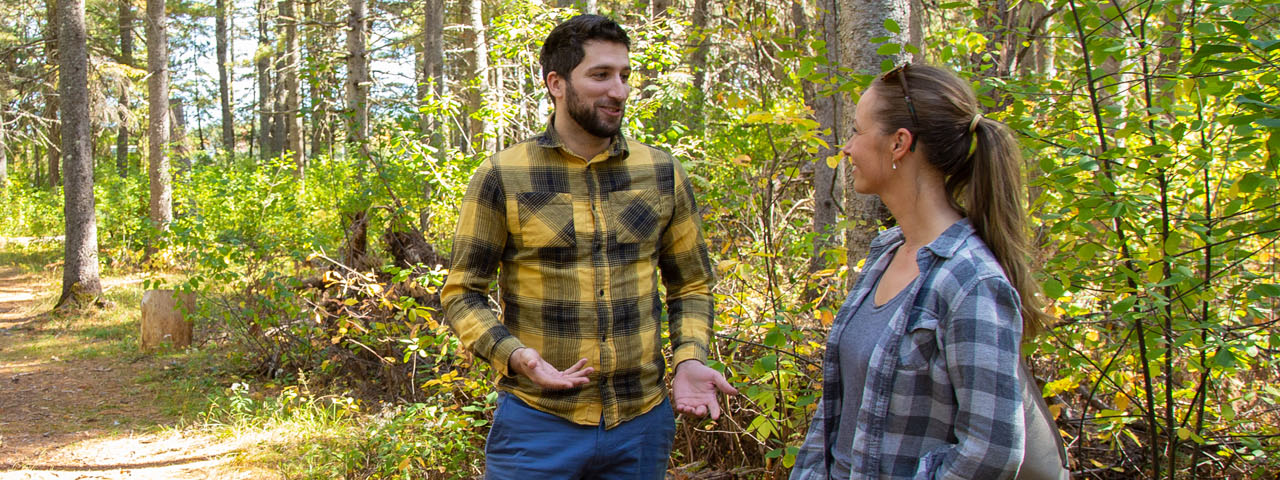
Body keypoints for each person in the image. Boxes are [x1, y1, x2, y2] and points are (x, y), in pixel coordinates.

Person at [440, 14, 738, 479]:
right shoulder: (503, 174)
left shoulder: (661, 172)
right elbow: (462, 293)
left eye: (623, 75)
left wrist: (690, 358)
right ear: (556, 83)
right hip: (538, 423)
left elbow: (692, 284)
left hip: (641, 424)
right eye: (600, 75)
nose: (617, 90)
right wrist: (515, 355)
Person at [788, 62, 1064, 479]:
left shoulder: (970, 281)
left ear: (899, 143)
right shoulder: (887, 254)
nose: (848, 148)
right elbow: (834, 421)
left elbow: (992, 451)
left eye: (859, 131)